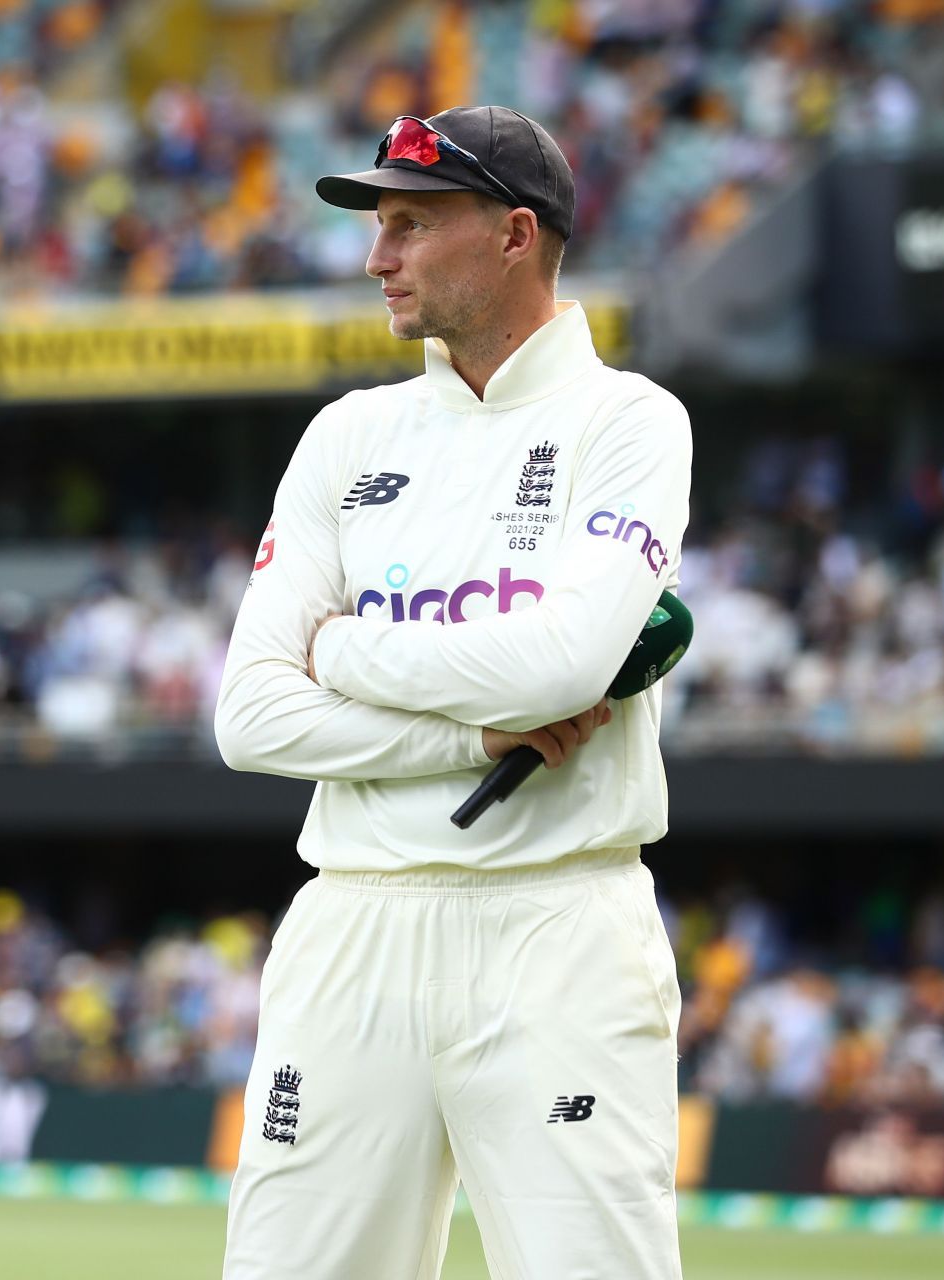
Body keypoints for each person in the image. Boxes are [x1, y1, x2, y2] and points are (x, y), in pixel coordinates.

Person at [215, 106, 691, 1279]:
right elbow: (250, 716)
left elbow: (566, 666)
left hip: (557, 921)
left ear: (516, 234)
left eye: (413, 225)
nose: (379, 257)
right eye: (380, 226)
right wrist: (477, 726)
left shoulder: (629, 421)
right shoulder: (347, 433)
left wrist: (345, 653)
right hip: (353, 919)